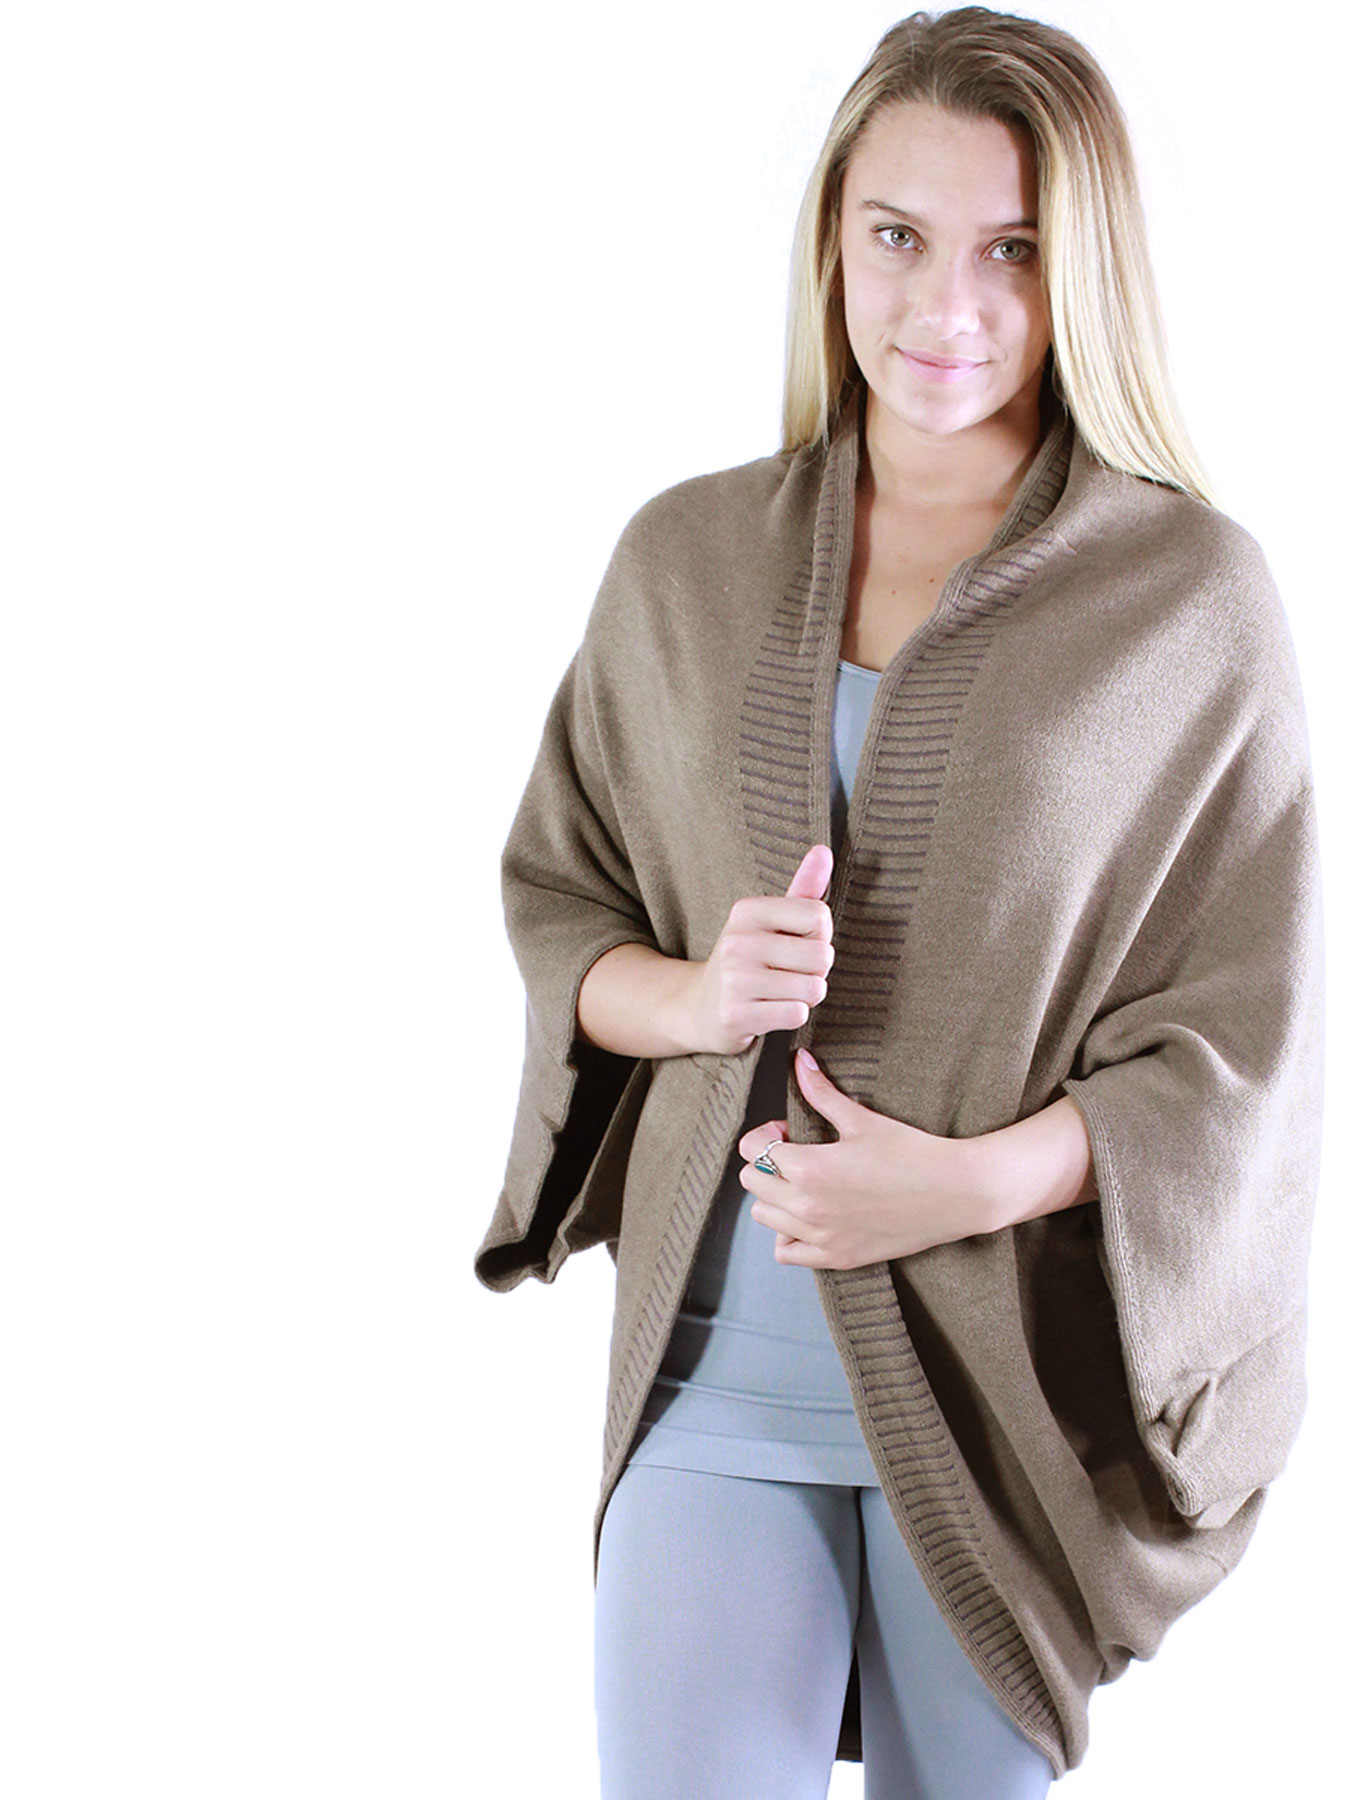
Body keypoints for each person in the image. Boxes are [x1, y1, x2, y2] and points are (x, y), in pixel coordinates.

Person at [474, 9, 1324, 1796]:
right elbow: (563, 900)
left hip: (997, 1414)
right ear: (832, 242)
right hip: (711, 1391)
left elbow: (1242, 1048)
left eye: (1013, 249)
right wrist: (695, 997)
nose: (948, 304)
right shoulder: (685, 560)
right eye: (899, 235)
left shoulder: (1189, 598)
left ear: (1084, 270)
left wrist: (975, 1180)